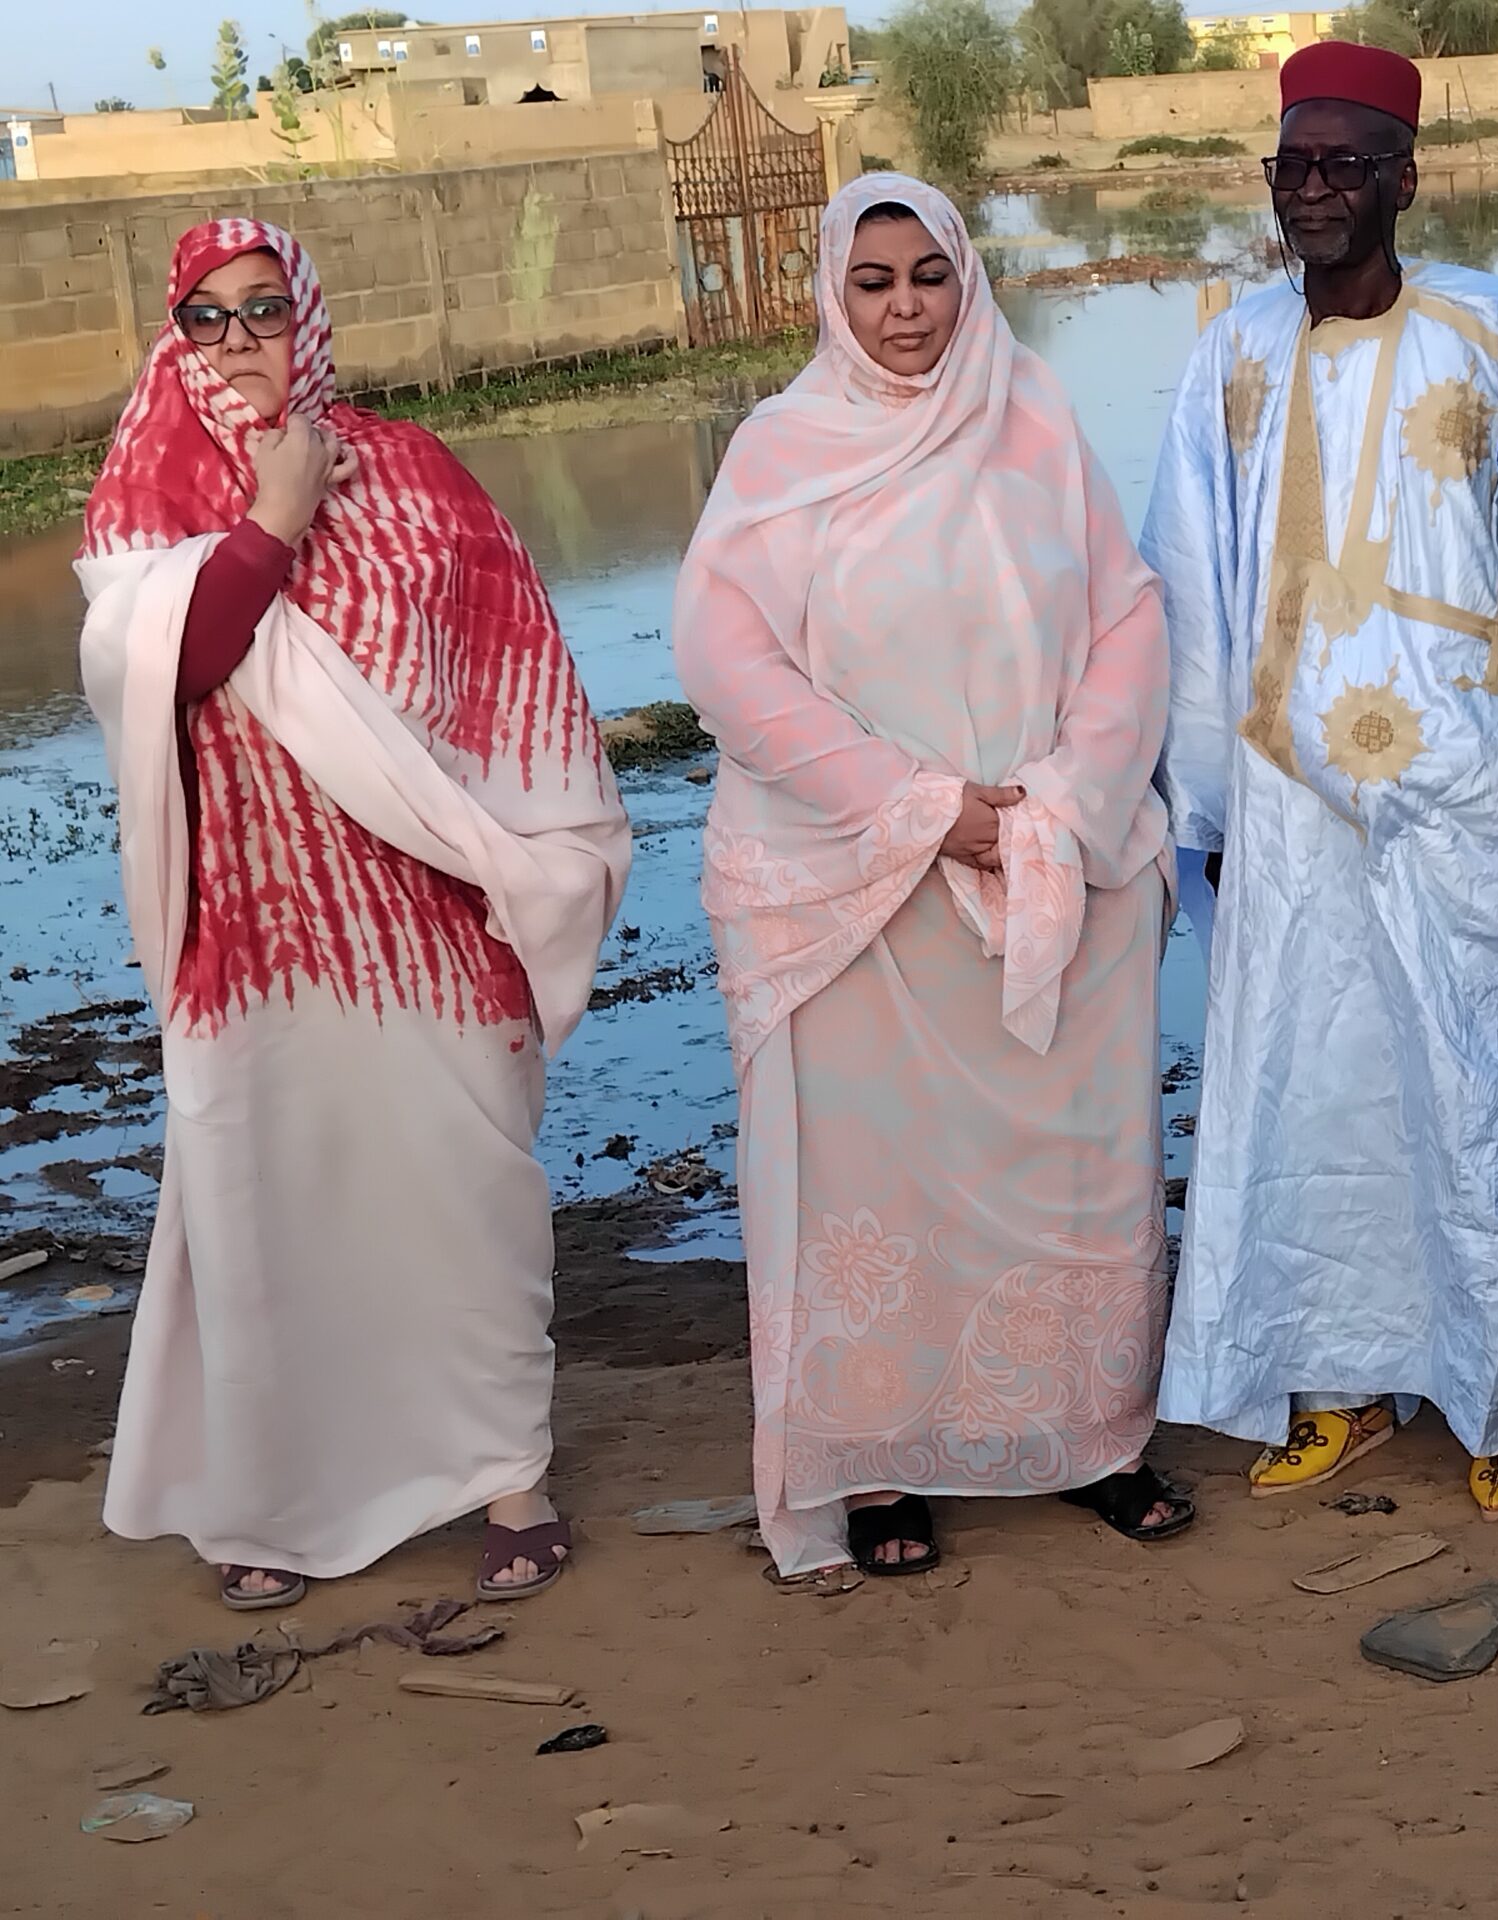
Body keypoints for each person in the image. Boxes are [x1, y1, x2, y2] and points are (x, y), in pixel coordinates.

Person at [76, 219, 631, 1611]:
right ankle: (276, 1499)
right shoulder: (147, 496)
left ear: (309, 314)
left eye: (265, 310)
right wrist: (270, 520)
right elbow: (181, 672)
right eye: (208, 319)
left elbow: (517, 683)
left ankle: (510, 1479)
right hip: (250, 938)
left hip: (430, 934)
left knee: (464, 1211)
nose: (241, 341)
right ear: (176, 335)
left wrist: (524, 864)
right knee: (271, 1220)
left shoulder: (419, 477)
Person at [675, 176, 1183, 1582]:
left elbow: (1128, 617)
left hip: (1045, 857)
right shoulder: (782, 454)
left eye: (929, 278)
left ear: (967, 280)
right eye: (873, 283)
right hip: (863, 888)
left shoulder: (1035, 423)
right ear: (831, 300)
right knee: (877, 1185)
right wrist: (914, 810)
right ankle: (890, 1458)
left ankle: (1091, 1435)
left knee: (1077, 1169)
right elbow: (728, 659)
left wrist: (1068, 799)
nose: (905, 310)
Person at [1145, 42, 1498, 1520]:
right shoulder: (1232, 349)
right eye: (1293, 167)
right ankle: (1333, 1380)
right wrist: (1197, 790)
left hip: (1461, 783)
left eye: (1346, 164)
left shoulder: (1497, 328)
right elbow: (1190, 574)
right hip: (1287, 799)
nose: (1316, 193)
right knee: (1308, 1087)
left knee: (1477, 1086)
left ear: (1406, 173)